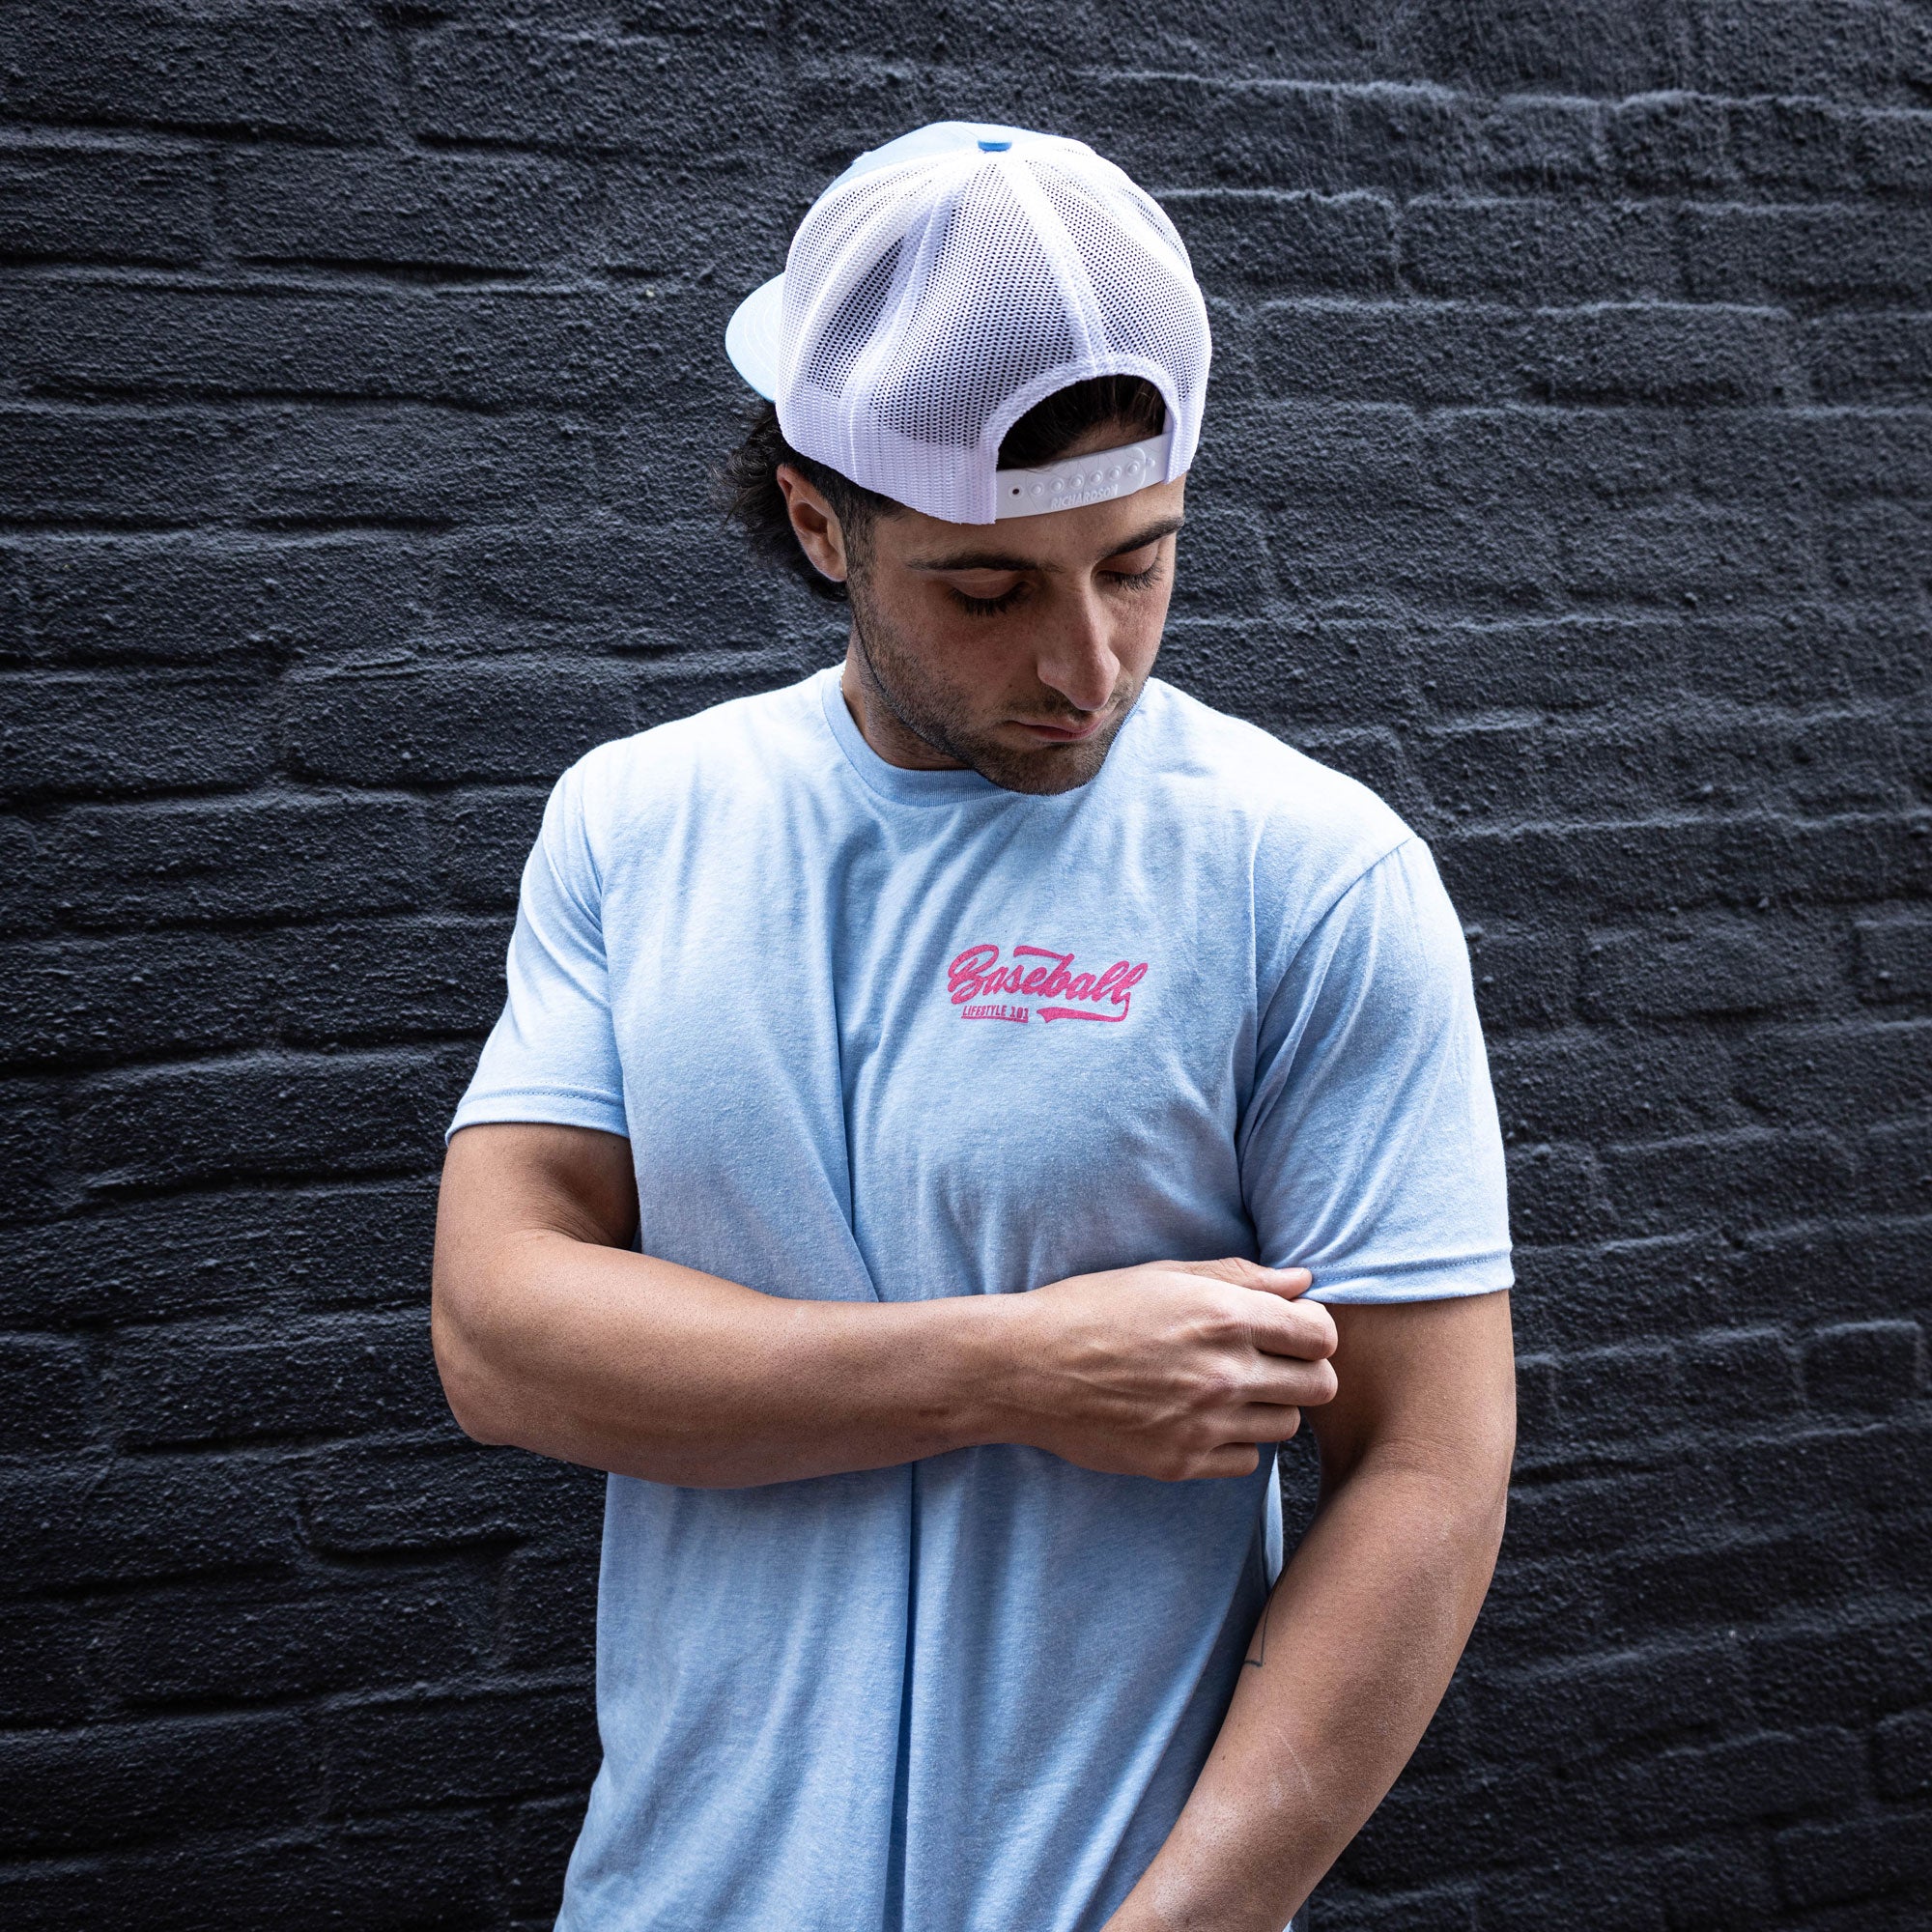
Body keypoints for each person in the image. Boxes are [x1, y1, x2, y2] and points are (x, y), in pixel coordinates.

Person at [432, 121, 1517, 1932]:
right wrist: (1016, 1370)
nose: (1089, 665)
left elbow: (1428, 1461)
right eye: (992, 589)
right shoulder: (636, 822)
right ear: (820, 523)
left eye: (1139, 564)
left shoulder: (1307, 875)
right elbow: (499, 1338)